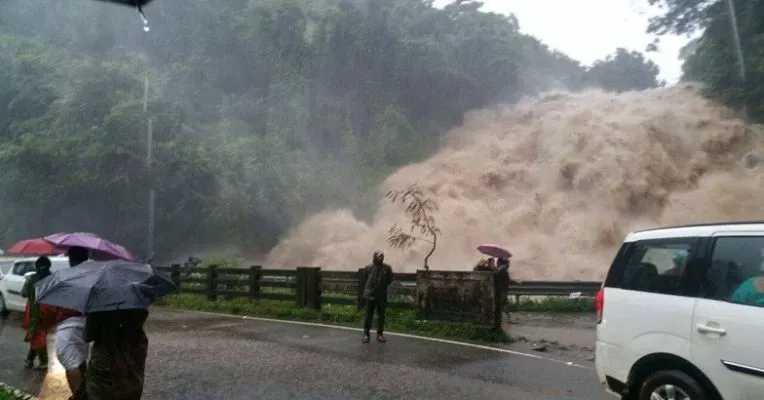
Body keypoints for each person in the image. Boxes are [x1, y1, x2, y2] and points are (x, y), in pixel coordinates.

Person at [85, 308, 150, 400]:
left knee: (99, 392)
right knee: (131, 390)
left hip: (105, 359)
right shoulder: (137, 302)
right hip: (133, 354)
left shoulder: (101, 304)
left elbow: (88, 335)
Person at [53, 246, 90, 399]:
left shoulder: (66, 277)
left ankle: (79, 396)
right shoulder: (91, 277)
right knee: (79, 360)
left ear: (70, 258)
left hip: (69, 324)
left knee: (69, 360)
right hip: (85, 324)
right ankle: (83, 393)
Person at [21, 256, 53, 369]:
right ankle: (29, 359)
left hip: (34, 311)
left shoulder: (31, 278)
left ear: (37, 266)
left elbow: (24, 293)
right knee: (38, 334)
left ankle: (43, 361)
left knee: (37, 335)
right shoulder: (53, 278)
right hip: (48, 311)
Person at [360, 250, 393, 344]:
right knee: (368, 316)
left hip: (381, 296)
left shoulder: (387, 268)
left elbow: (390, 280)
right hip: (370, 295)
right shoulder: (368, 268)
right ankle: (366, 334)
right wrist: (363, 296)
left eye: (382, 256)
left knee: (381, 316)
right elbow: (364, 282)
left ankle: (380, 334)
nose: (380, 258)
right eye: (379, 256)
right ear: (374, 257)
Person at [493, 257, 512, 329]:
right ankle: (506, 318)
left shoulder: (501, 270)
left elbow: (495, 276)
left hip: (501, 290)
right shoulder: (503, 270)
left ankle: (507, 318)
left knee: (503, 304)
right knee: (503, 304)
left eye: (497, 262)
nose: (496, 263)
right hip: (502, 290)